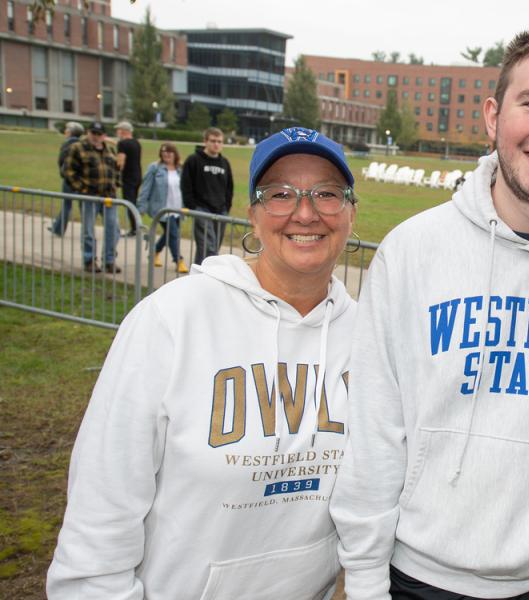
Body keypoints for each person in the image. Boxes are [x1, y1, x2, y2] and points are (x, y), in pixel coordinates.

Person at [333, 23, 529, 600]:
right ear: (493, 116)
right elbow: (375, 434)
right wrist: (366, 579)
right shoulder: (412, 250)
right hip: (421, 578)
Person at [47, 126, 359, 599]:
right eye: (280, 194)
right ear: (252, 216)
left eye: (327, 194)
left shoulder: (367, 339)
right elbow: (102, 514)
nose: (305, 212)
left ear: (351, 213)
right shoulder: (170, 321)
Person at [63, 121, 121, 273]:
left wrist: (116, 183)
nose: (95, 137)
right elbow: (68, 170)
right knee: (88, 230)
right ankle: (89, 260)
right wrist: (80, 188)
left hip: (109, 197)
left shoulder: (110, 150)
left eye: (99, 134)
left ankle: (109, 260)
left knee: (113, 229)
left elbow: (116, 169)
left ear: (104, 136)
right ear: (88, 133)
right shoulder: (77, 148)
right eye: (93, 133)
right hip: (89, 196)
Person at [182, 126, 233, 265]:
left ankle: (197, 276)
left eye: (219, 141)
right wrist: (192, 206)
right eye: (213, 141)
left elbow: (229, 187)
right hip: (201, 209)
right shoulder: (193, 160)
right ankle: (211, 276)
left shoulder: (224, 163)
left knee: (211, 247)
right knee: (209, 248)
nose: (216, 144)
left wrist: (226, 206)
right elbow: (186, 184)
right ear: (205, 141)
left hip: (220, 210)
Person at [138, 142, 188, 273]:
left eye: (169, 152)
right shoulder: (155, 168)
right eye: (163, 152)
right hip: (162, 209)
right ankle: (179, 260)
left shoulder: (180, 169)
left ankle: (154, 252)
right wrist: (141, 207)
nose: (166, 154)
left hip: (177, 208)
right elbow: (146, 188)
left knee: (169, 234)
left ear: (175, 154)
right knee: (173, 234)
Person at [49, 121, 84, 236]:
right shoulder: (83, 144)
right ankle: (86, 230)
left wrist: (63, 172)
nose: (65, 132)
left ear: (71, 132)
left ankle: (58, 229)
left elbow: (61, 160)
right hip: (81, 179)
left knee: (67, 204)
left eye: (67, 130)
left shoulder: (67, 144)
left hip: (69, 179)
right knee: (83, 204)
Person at [115, 121, 143, 237]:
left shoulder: (122, 144)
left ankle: (135, 228)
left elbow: (121, 162)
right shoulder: (136, 143)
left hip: (128, 177)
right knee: (134, 201)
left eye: (118, 130)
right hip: (137, 175)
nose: (117, 132)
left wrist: (117, 171)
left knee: (129, 203)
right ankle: (137, 226)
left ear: (123, 131)